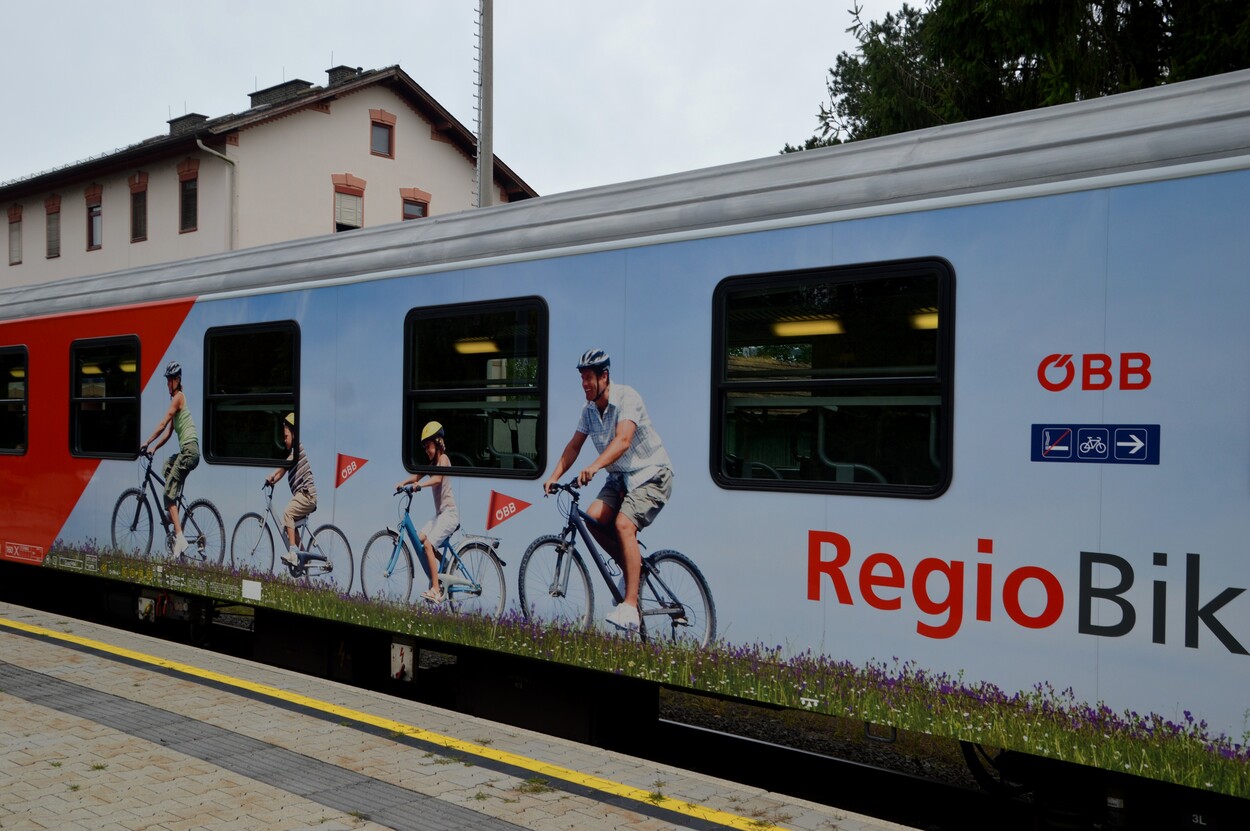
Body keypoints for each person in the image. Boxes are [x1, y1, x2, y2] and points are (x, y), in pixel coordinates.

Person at [543, 349, 673, 633]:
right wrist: (554, 476)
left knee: (624, 525)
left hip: (651, 474)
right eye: (581, 378)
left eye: (589, 377)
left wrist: (595, 466)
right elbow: (574, 445)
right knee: (592, 519)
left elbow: (623, 440)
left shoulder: (628, 398)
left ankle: (629, 607)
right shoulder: (588, 411)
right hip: (620, 479)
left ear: (604, 376)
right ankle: (631, 571)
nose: (584, 384)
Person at [141, 361, 200, 558]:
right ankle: (172, 512)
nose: (167, 384)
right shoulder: (178, 401)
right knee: (167, 466)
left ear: (177, 380)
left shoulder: (178, 398)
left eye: (169, 381)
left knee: (167, 494)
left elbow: (163, 421)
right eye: (167, 381)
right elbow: (168, 433)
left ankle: (180, 537)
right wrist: (154, 448)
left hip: (189, 451)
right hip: (187, 451)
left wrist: (147, 441)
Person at [396, 421, 459, 603]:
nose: (427, 450)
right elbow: (417, 475)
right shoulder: (432, 463)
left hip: (449, 514)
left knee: (429, 545)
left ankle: (436, 589)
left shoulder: (444, 459)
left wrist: (420, 486)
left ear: (438, 443)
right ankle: (444, 565)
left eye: (428, 446)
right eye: (424, 448)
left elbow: (438, 479)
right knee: (421, 539)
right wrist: (404, 483)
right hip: (440, 515)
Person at [267, 413, 318, 567]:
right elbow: (283, 471)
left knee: (288, 513)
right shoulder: (292, 454)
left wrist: (272, 474)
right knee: (290, 527)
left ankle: (294, 552)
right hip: (303, 496)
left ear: (294, 434)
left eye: (286, 435)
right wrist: (273, 479)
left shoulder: (297, 449)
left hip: (307, 495)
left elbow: (283, 466)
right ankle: (303, 556)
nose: (284, 439)